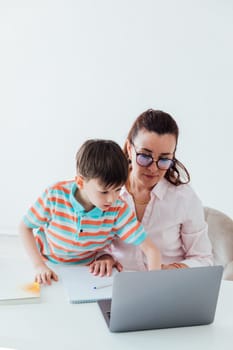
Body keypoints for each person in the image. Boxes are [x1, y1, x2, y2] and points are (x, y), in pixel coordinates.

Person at [19, 139, 161, 285]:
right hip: (47, 264)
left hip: (87, 272)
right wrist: (38, 266)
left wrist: (153, 286)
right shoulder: (55, 195)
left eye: (118, 189)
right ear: (80, 183)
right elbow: (25, 227)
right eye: (104, 192)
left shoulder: (118, 210)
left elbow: (151, 250)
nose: (112, 199)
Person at [89, 109, 213, 275]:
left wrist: (173, 270)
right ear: (129, 148)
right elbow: (87, 239)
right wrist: (103, 255)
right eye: (145, 156)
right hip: (116, 283)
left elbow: (204, 259)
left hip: (168, 287)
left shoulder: (184, 198)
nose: (153, 168)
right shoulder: (103, 190)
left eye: (164, 159)